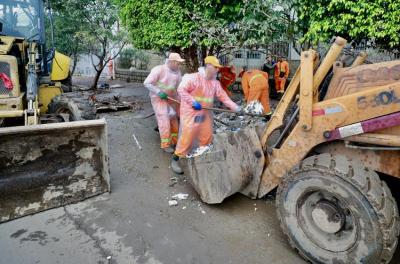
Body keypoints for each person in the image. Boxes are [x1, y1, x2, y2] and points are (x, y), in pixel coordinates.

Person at [170, 56, 241, 174]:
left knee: (206, 136)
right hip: (191, 112)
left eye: (218, 68)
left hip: (205, 113)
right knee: (187, 136)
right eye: (216, 67)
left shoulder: (215, 83)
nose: (218, 70)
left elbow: (224, 98)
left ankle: (203, 159)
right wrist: (193, 102)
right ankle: (176, 160)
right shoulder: (193, 78)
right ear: (208, 66)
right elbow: (181, 90)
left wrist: (237, 108)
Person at [143, 53, 185, 153]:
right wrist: (159, 92)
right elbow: (147, 83)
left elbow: (180, 86)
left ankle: (175, 141)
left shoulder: (177, 72)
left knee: (174, 119)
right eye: (177, 63)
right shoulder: (159, 69)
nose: (179, 65)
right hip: (159, 99)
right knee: (164, 120)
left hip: (172, 99)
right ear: (171, 62)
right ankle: (165, 144)